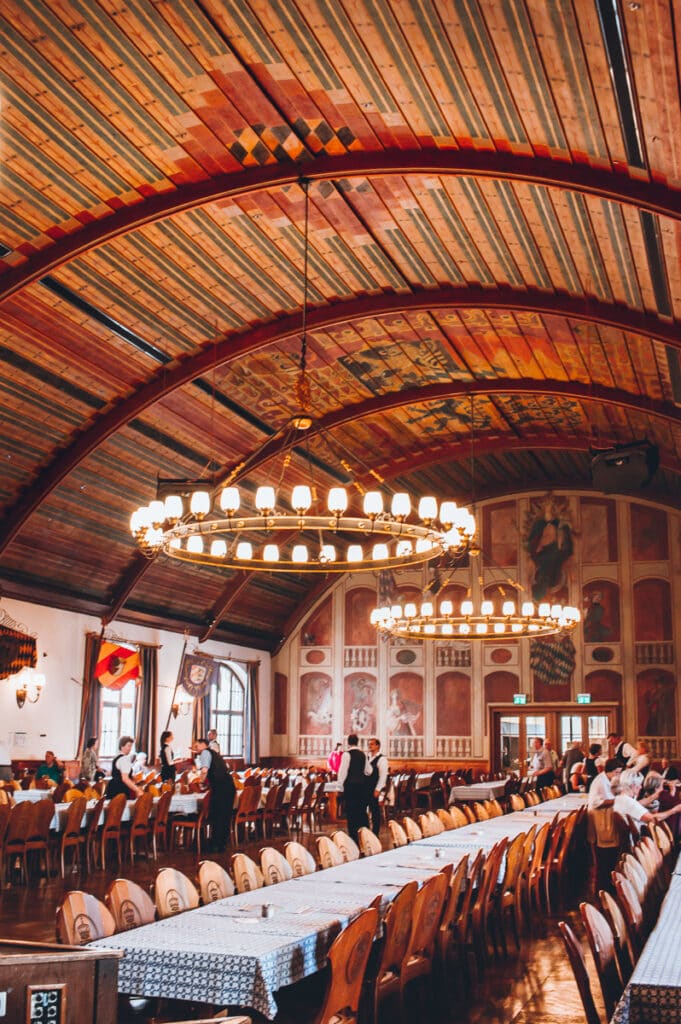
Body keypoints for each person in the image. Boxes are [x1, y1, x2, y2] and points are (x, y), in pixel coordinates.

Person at [193, 737, 235, 852]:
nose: (195, 749)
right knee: (225, 815)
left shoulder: (205, 753)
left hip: (221, 787)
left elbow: (204, 770)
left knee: (218, 815)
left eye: (196, 746)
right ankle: (221, 844)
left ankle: (215, 845)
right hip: (228, 785)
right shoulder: (214, 753)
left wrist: (201, 782)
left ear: (203, 745)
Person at [614, 768, 681, 831]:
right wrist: (674, 810)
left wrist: (655, 795)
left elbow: (638, 803)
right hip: (638, 838)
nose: (640, 787)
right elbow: (653, 819)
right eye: (639, 785)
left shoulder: (619, 799)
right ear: (633, 785)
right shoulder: (629, 802)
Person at [337, 733, 372, 843]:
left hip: (350, 787)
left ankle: (353, 838)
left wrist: (340, 787)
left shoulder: (347, 755)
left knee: (351, 812)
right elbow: (369, 771)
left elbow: (342, 772)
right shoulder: (363, 755)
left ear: (348, 742)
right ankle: (365, 835)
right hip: (361, 787)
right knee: (361, 811)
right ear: (357, 742)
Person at [367, 737, 388, 836]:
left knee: (374, 810)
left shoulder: (382, 759)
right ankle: (366, 831)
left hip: (374, 787)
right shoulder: (367, 758)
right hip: (365, 787)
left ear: (377, 746)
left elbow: (383, 775)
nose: (370, 746)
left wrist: (378, 789)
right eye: (369, 744)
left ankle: (375, 832)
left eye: (372, 744)